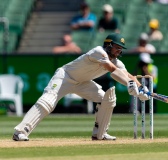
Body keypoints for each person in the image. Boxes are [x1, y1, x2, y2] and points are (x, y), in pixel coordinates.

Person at [12, 33, 150, 141]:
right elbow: (112, 70)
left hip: (83, 82)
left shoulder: (116, 61)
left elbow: (128, 75)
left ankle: (100, 134)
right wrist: (129, 84)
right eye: (117, 47)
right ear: (108, 45)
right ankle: (20, 132)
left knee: (107, 99)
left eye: (120, 49)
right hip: (65, 77)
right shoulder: (98, 52)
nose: (118, 51)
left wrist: (142, 88)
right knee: (48, 101)